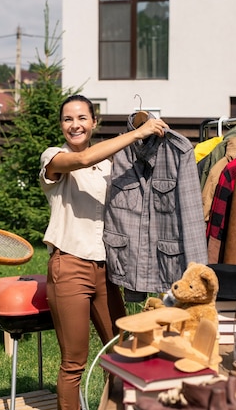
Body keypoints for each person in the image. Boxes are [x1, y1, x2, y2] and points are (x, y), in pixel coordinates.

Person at [40, 95, 168, 410]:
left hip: (106, 271)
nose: (75, 125)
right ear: (61, 125)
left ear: (93, 122)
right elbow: (81, 160)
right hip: (69, 267)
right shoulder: (55, 157)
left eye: (82, 118)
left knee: (122, 349)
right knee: (74, 362)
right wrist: (137, 133)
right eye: (68, 119)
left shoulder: (107, 165)